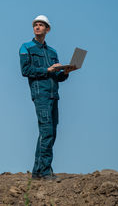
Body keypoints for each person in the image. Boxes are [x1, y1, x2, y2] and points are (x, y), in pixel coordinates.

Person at [19, 15, 76, 180]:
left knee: (50, 132)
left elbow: (57, 77)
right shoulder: (26, 47)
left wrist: (65, 72)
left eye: (41, 25)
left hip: (53, 95)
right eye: (35, 25)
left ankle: (37, 172)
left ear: (47, 29)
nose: (37, 27)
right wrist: (48, 69)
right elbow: (26, 71)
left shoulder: (52, 52)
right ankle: (45, 172)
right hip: (40, 94)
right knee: (47, 131)